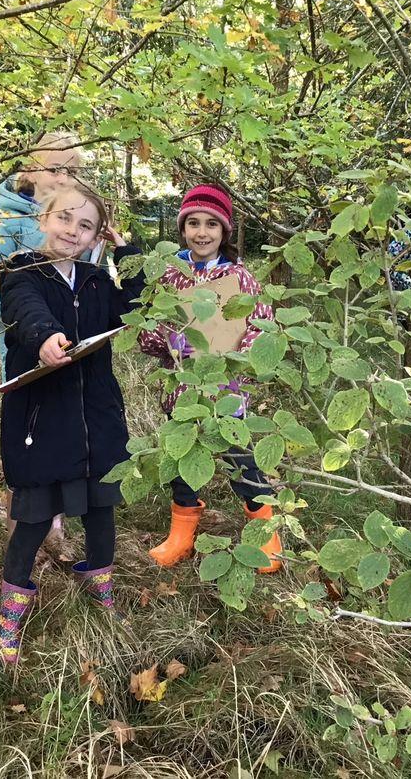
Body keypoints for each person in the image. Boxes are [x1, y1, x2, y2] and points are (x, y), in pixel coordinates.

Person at [0, 182, 144, 666]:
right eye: (64, 218)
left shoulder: (97, 281)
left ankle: (101, 589)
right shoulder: (21, 271)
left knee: (101, 511)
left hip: (98, 421)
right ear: (44, 219)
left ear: (98, 236)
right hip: (42, 423)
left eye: (86, 226)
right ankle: (11, 612)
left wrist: (127, 253)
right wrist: (44, 337)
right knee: (34, 517)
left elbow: (137, 306)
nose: (73, 231)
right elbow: (25, 309)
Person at [137, 184, 283, 574]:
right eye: (194, 223)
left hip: (226, 390)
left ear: (224, 231)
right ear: (182, 228)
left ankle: (266, 533)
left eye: (211, 225)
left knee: (241, 460)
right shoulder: (171, 277)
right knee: (183, 459)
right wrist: (168, 340)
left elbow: (261, 327)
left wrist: (237, 359)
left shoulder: (240, 278)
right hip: (183, 389)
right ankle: (182, 535)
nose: (202, 232)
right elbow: (147, 332)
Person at [0, 134, 88, 549]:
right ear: (29, 169)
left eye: (72, 171)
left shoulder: (78, 220)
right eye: (55, 168)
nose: (64, 178)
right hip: (27, 362)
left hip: (73, 357)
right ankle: (21, 542)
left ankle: (54, 532)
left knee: (64, 441)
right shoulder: (7, 224)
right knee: (28, 447)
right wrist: (33, 327)